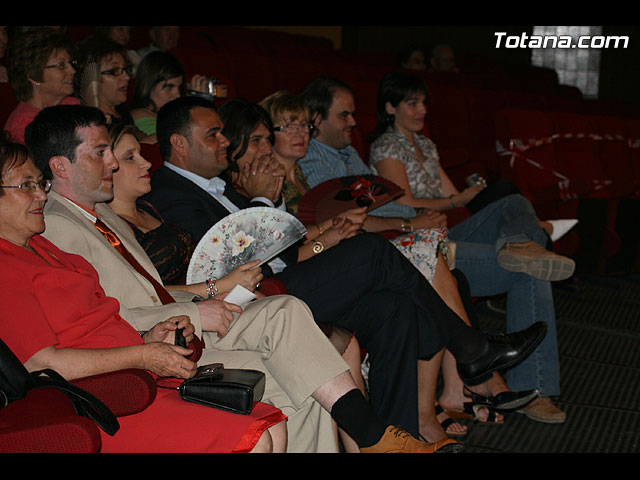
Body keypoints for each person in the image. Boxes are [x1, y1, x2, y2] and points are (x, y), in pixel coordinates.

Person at [25, 103, 464, 454]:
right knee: (299, 356)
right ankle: (375, 436)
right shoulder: (57, 225)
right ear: (61, 166)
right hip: (159, 338)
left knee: (294, 328)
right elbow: (104, 318)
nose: (112, 164)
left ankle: (375, 437)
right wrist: (198, 310)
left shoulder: (98, 213)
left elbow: (149, 288)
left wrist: (210, 293)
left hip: (187, 314)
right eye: (100, 153)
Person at [143, 95, 548, 441]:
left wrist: (281, 208)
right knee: (371, 252)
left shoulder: (220, 186)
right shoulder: (172, 193)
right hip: (252, 304)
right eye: (213, 134)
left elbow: (285, 251)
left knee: (395, 308)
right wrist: (266, 202)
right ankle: (471, 348)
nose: (224, 142)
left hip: (282, 281)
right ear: (179, 143)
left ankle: (400, 439)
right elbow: (226, 264)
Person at [298, 74, 568, 423]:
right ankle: (505, 383)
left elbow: (384, 202)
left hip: (420, 228)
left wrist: (443, 208)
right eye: (344, 115)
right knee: (522, 268)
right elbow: (355, 217)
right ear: (317, 119)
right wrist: (417, 220)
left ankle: (520, 244)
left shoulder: (354, 151)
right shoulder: (350, 153)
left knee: (512, 206)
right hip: (401, 237)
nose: (353, 122)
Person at [0, 130, 287, 453]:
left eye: (40, 183)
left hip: (134, 375)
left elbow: (93, 326)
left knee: (272, 423)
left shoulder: (43, 247)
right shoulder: (5, 265)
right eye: (26, 186)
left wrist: (147, 337)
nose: (41, 195)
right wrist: (144, 355)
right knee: (255, 436)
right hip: (101, 398)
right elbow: (43, 363)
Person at [106, 122, 367, 452]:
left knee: (361, 321)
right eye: (130, 157)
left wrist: (323, 233)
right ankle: (372, 436)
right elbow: (146, 297)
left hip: (223, 296)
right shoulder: (144, 210)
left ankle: (378, 435)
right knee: (359, 264)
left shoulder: (150, 209)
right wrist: (219, 286)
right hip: (190, 318)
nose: (146, 162)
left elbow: (275, 244)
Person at [3, 28, 81, 144]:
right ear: (33, 77)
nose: (73, 70)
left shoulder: (74, 105)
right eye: (61, 65)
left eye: (71, 63)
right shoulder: (20, 128)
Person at [128, 50, 209, 139]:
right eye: (169, 87)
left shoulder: (168, 114)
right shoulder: (139, 115)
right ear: (148, 86)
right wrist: (195, 107)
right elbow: (177, 141)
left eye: (179, 87)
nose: (177, 95)